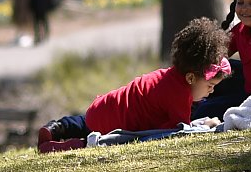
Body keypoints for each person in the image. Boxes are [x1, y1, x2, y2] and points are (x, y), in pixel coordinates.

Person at [36, 17, 232, 152]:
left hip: (104, 106)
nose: (211, 91)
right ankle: (62, 147)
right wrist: (208, 124)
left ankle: (57, 127)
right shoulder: (179, 95)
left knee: (86, 122)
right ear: (191, 78)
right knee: (104, 138)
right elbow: (178, 132)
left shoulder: (168, 76)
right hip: (114, 122)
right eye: (209, 86)